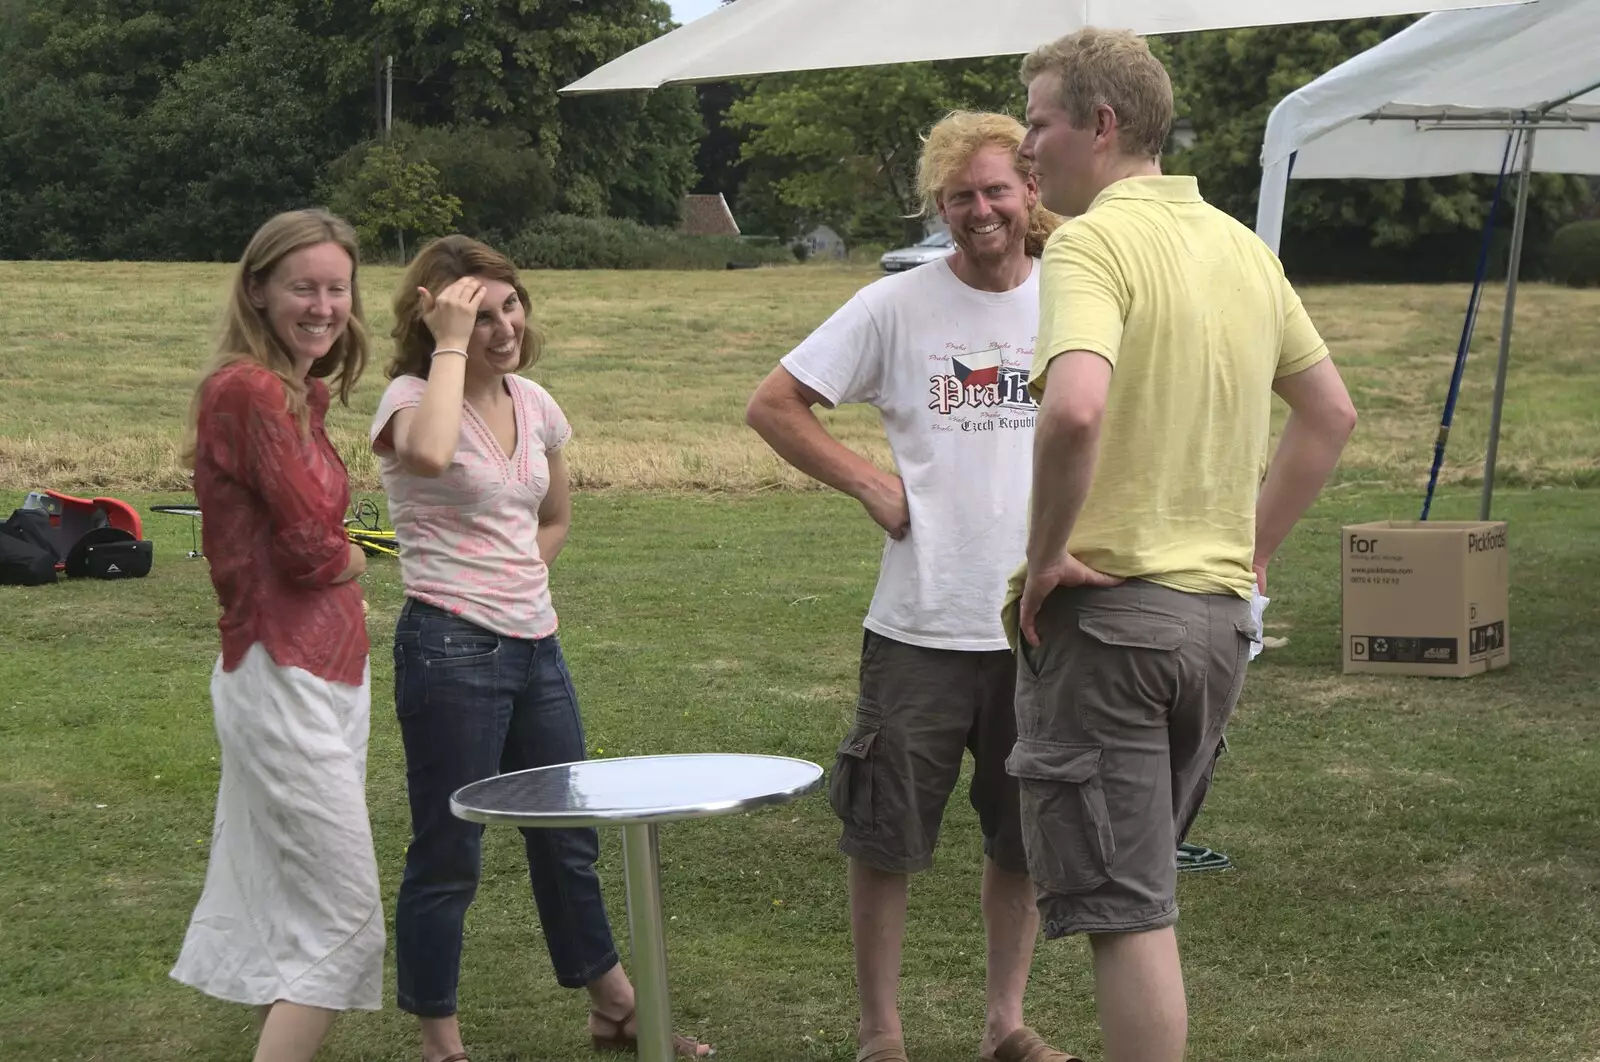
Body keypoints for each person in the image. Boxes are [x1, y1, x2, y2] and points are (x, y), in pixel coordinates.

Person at [1005, 29, 1358, 1062]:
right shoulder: (1242, 248)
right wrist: (1246, 552)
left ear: (1101, 124)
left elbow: (1072, 412)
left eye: (1038, 120)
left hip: (1111, 625)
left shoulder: (1087, 243)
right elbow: (1328, 413)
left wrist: (1046, 554)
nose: (1027, 146)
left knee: (1128, 916)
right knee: (1141, 892)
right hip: (1213, 629)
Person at [746, 111, 1068, 1062]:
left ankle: (1005, 1025)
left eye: (997, 190)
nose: (981, 210)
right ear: (939, 207)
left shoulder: (1074, 301)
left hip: (1040, 624)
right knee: (886, 836)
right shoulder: (896, 307)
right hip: (919, 624)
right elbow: (774, 403)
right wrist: (868, 481)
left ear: (1030, 192)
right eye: (960, 196)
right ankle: (880, 1035)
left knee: (1022, 840)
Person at [369, 235, 713, 1062]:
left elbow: (551, 519)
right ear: (437, 319)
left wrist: (516, 579)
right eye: (478, 314)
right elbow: (425, 453)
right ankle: (440, 1043)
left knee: (568, 834)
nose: (502, 327)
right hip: (449, 647)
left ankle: (614, 1007)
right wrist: (447, 342)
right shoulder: (409, 398)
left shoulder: (536, 403)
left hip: (535, 646)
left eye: (510, 305)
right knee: (449, 846)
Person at [171, 208, 382, 1062]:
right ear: (257, 289)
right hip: (280, 669)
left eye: (337, 288)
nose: (324, 305)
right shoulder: (249, 390)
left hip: (331, 670)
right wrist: (355, 559)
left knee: (292, 907)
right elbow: (306, 548)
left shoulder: (301, 394)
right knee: (345, 918)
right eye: (304, 287)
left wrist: (342, 556)